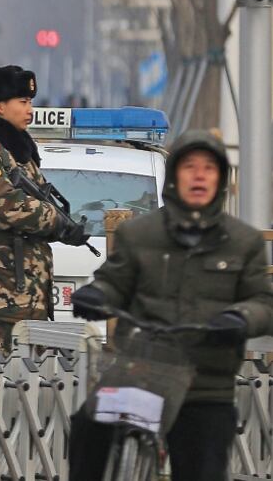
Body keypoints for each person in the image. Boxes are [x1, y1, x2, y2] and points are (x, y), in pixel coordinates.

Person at [69, 130, 273, 481]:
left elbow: (263, 303)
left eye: (209, 168)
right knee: (89, 425)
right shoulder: (139, 234)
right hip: (141, 371)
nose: (198, 175)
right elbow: (113, 281)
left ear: (221, 179)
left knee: (203, 466)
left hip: (205, 383)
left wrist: (239, 318)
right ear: (174, 176)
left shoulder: (244, 242)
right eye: (189, 166)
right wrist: (96, 295)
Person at [0, 65, 89, 352]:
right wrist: (57, 222)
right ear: (0, 107)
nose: (29, 108)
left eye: (30, 101)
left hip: (31, 291)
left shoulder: (19, 152)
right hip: (4, 292)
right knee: (2, 378)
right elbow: (4, 204)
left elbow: (38, 202)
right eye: (22, 102)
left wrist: (65, 227)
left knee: (32, 382)